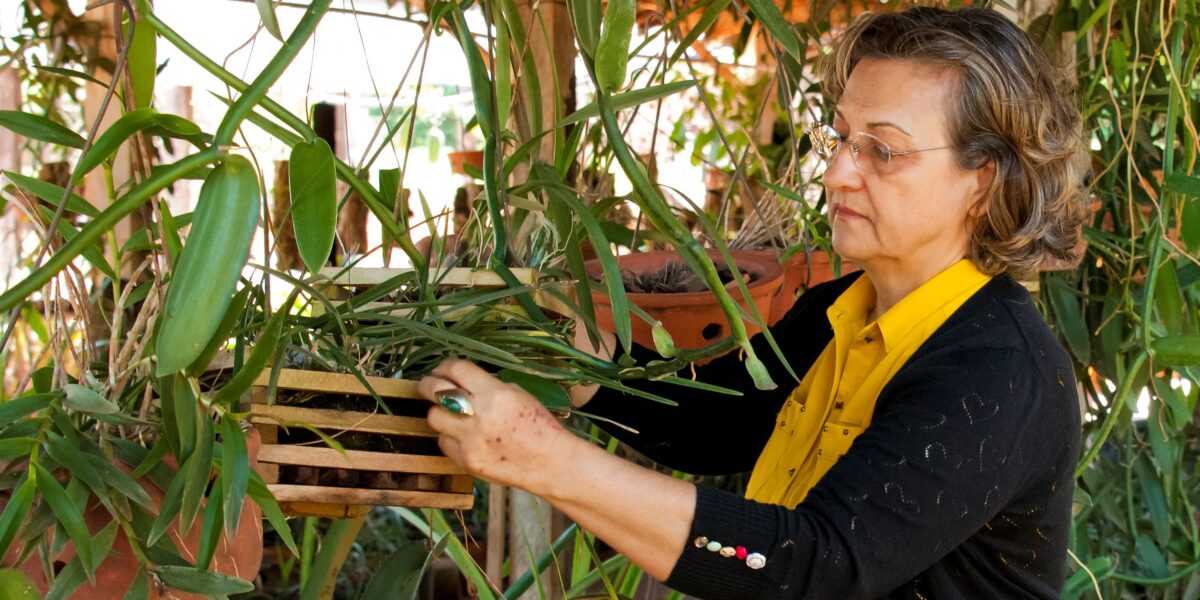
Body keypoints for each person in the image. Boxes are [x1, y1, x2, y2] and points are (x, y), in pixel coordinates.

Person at [417, 7, 1088, 599]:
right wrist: (571, 355)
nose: (837, 173)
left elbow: (813, 566)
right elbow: (712, 423)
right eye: (840, 139)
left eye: (882, 151)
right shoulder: (842, 311)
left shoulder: (998, 372)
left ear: (984, 180)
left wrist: (546, 459)